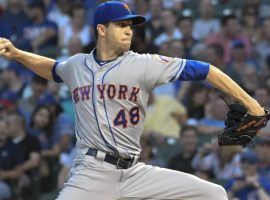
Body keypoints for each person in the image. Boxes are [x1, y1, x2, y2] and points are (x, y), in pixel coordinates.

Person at [0, 1, 265, 199]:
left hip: (135, 171)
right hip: (92, 172)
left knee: (215, 195)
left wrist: (251, 104)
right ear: (101, 29)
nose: (129, 31)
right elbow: (53, 68)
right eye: (121, 25)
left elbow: (207, 70)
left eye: (130, 25)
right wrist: (18, 54)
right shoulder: (77, 65)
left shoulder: (143, 64)